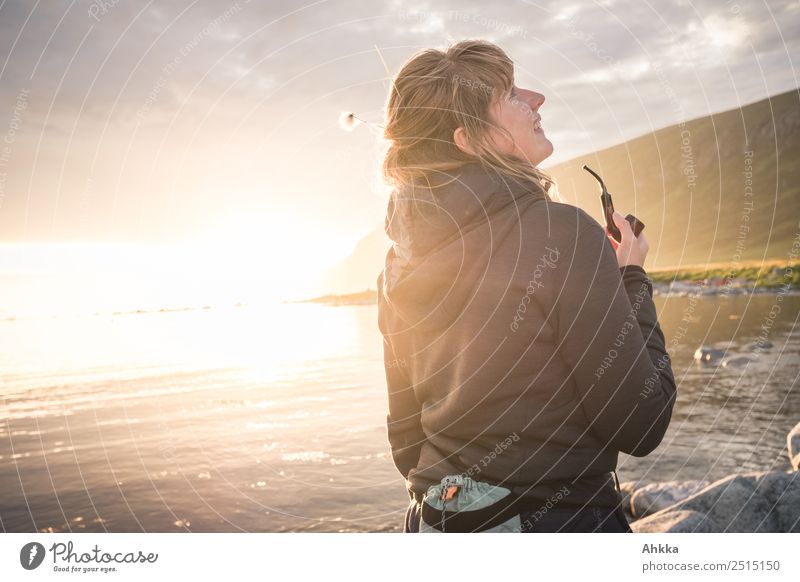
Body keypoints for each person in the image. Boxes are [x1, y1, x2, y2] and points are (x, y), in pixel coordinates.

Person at [376, 40, 677, 533]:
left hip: (432, 524)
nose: (537, 98)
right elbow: (643, 422)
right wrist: (631, 279)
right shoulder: (563, 234)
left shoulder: (396, 266)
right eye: (511, 94)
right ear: (468, 140)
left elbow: (406, 443)